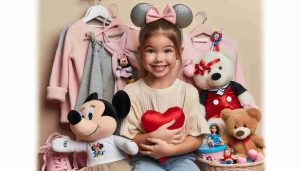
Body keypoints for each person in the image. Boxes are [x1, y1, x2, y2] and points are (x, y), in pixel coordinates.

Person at [120, 4, 210, 171]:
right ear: (141, 52)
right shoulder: (131, 92)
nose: (159, 58)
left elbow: (197, 138)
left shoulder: (187, 91)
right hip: (145, 158)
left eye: (167, 50)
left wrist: (170, 149)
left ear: (178, 53)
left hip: (181, 157)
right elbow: (128, 138)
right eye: (151, 51)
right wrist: (152, 137)